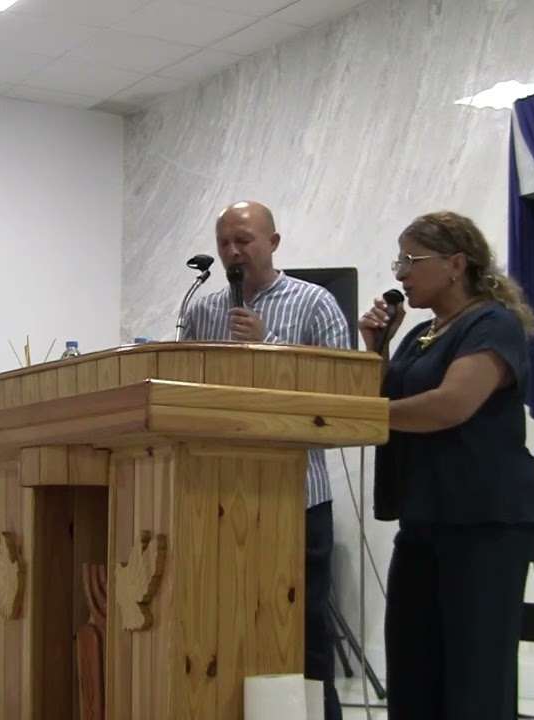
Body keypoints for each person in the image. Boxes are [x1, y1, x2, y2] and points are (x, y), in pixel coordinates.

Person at [359, 210, 534, 719]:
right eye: (399, 261)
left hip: (484, 521)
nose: (399, 274)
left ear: (455, 263)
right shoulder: (422, 333)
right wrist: (378, 348)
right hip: (425, 518)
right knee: (412, 671)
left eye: (411, 260)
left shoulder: (492, 323)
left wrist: (362, 417)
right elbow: (381, 400)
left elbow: (451, 405)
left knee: (474, 679)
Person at [180, 200, 350, 720]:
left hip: (296, 497)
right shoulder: (203, 312)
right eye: (225, 242)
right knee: (227, 624)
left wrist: (269, 344)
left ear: (273, 243)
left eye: (245, 240)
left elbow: (340, 394)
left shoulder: (314, 303)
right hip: (218, 497)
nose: (233, 252)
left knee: (301, 629)